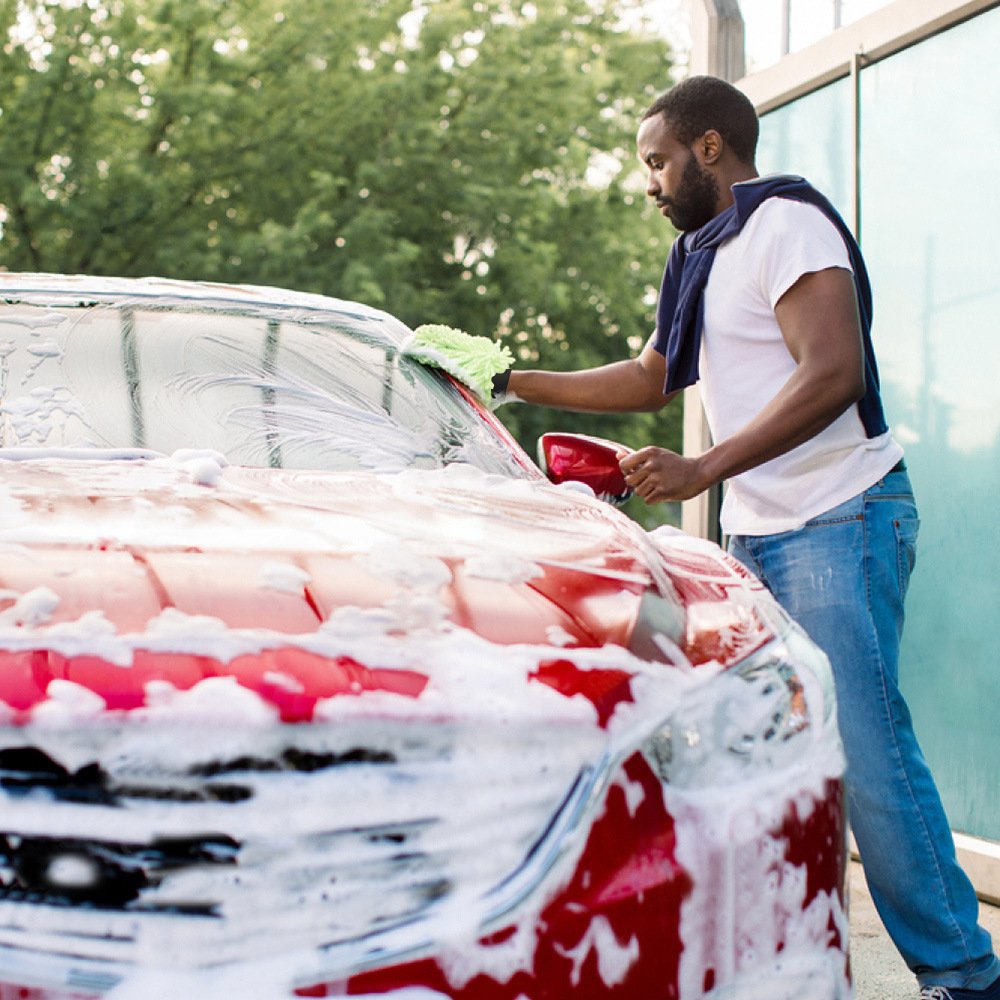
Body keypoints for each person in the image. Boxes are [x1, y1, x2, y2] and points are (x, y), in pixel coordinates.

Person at [496, 75, 1000, 1000]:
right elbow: (653, 377)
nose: (649, 182)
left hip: (840, 520)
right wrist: (511, 379)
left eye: (657, 161)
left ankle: (967, 978)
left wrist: (703, 467)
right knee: (779, 755)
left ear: (711, 148)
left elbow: (834, 372)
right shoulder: (700, 253)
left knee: (871, 764)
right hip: (761, 537)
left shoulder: (786, 224)